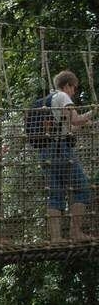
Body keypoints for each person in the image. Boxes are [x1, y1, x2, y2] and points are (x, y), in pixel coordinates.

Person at [42, 70, 95, 242]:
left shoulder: (49, 100)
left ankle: (56, 238)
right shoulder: (63, 97)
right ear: (67, 86)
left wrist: (82, 122)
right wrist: (93, 112)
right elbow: (75, 119)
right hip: (61, 150)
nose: (74, 92)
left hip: (45, 151)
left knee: (55, 194)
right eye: (74, 88)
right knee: (82, 188)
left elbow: (68, 127)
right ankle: (75, 232)